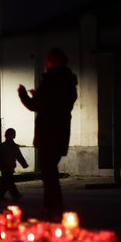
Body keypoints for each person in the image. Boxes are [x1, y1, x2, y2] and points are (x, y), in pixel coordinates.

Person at [18, 47, 77, 222]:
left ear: (54, 61)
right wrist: (39, 98)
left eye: (47, 59)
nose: (45, 62)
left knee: (49, 174)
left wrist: (23, 95)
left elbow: (35, 105)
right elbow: (56, 104)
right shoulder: (68, 81)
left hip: (47, 134)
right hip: (60, 132)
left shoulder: (52, 80)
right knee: (50, 173)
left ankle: (54, 207)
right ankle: (50, 206)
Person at [0, 128, 28, 201]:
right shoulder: (2, 146)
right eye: (9, 134)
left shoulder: (14, 146)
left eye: (11, 135)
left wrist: (24, 164)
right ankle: (15, 194)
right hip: (4, 167)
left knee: (5, 182)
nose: (10, 136)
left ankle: (0, 194)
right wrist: (0, 164)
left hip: (10, 166)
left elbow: (19, 156)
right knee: (10, 181)